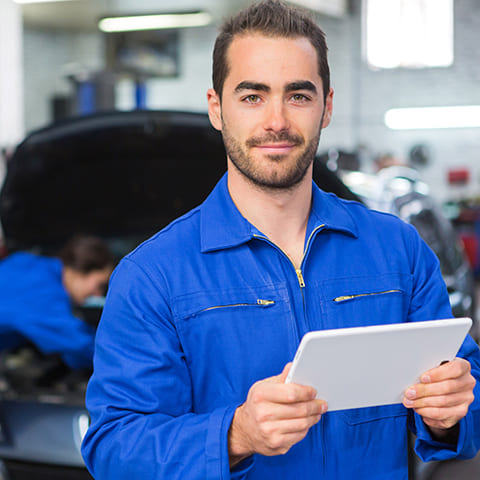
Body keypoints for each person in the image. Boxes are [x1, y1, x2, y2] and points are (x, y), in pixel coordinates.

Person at [81, 1, 480, 479]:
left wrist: (450, 413)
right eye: (252, 96)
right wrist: (235, 435)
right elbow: (113, 448)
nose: (276, 120)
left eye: (298, 96)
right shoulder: (153, 276)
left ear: (326, 106)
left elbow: (465, 397)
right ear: (216, 108)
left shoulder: (399, 250)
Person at [0, 235, 114, 369]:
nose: (98, 294)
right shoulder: (43, 293)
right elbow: (79, 344)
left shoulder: (28, 263)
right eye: (100, 285)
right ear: (79, 271)